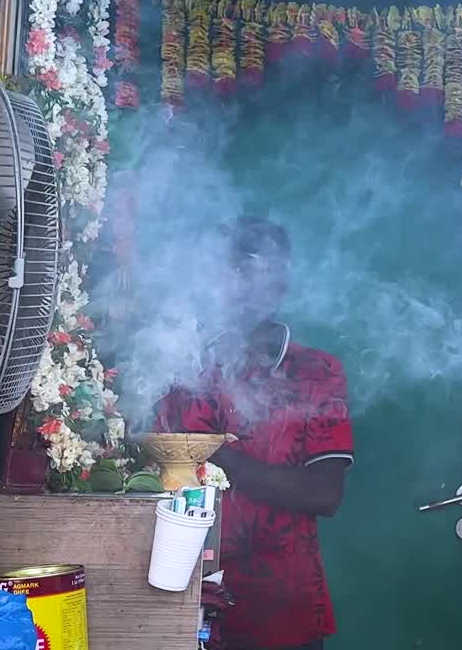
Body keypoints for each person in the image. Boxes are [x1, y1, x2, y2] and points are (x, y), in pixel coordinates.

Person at [155, 218, 353, 650]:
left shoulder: (317, 373)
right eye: (235, 270)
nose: (245, 286)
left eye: (261, 270)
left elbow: (324, 493)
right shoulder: (182, 363)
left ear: (282, 283)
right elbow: (150, 471)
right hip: (177, 599)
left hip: (280, 614)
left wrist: (214, 455)